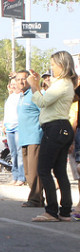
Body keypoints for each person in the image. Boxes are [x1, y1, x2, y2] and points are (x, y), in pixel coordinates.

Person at [28, 51, 77, 222]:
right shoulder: (65, 84)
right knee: (59, 171)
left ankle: (51, 211)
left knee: (43, 169)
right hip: (61, 128)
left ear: (62, 65)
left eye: (54, 65)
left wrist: (34, 86)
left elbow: (42, 102)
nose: (52, 68)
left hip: (55, 127)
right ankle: (64, 212)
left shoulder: (62, 83)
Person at [15, 70, 45, 208]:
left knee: (34, 171)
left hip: (35, 137)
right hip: (24, 138)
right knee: (27, 172)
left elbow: (44, 112)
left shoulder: (34, 94)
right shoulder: (20, 96)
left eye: (24, 79)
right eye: (18, 79)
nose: (21, 82)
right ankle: (35, 197)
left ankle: (36, 199)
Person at [4, 76, 25, 186]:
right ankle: (15, 175)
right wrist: (4, 125)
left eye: (15, 83)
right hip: (9, 127)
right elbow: (7, 111)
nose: (13, 86)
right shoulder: (10, 97)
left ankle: (22, 176)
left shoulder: (22, 96)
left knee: (19, 153)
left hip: (18, 127)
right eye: (11, 84)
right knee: (13, 153)